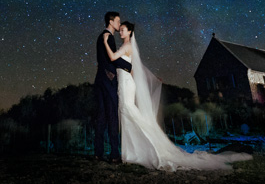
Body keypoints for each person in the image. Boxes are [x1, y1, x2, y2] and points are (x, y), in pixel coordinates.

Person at [103, 22, 252, 171]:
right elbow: (134, 69)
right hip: (126, 82)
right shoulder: (129, 47)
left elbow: (113, 57)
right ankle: (132, 152)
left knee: (128, 111)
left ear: (129, 32)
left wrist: (105, 42)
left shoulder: (126, 46)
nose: (120, 32)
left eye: (123, 30)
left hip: (126, 84)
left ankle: (136, 152)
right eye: (120, 30)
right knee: (127, 112)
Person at [94, 11, 132, 163]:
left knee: (102, 116)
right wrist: (129, 66)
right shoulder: (108, 37)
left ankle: (98, 152)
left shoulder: (101, 36)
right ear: (111, 22)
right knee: (112, 116)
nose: (119, 24)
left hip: (100, 80)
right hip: (108, 80)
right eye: (117, 21)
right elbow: (112, 60)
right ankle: (114, 154)